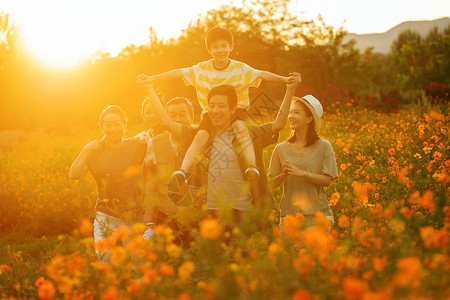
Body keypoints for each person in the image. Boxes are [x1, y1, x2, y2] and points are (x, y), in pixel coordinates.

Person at [136, 26, 299, 183]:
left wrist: (285, 80)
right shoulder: (202, 70)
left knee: (242, 131)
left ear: (231, 47)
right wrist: (153, 78)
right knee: (200, 136)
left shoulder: (240, 69)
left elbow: (262, 74)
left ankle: (251, 167)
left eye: (224, 46)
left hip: (237, 112)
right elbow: (178, 72)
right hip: (210, 114)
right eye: (215, 47)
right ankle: (183, 171)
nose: (220, 50)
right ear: (209, 49)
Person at [69, 105, 147, 260]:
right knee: (104, 259)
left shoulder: (137, 145)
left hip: (133, 215)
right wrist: (86, 149)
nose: (113, 129)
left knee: (139, 263)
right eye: (108, 125)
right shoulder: (94, 151)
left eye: (117, 124)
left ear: (124, 125)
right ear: (102, 127)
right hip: (105, 215)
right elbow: (73, 174)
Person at [268, 95, 338, 232]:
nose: (291, 116)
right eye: (291, 112)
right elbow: (271, 183)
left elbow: (327, 180)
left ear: (309, 118)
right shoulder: (280, 149)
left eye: (296, 112)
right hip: (290, 216)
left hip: (319, 217)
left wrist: (303, 173)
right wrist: (282, 175)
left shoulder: (324, 146)